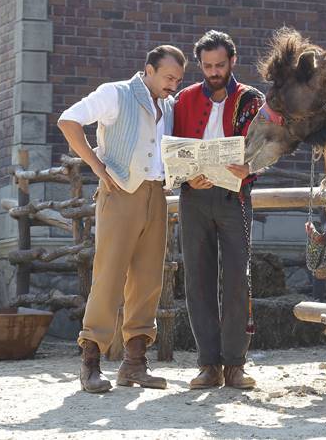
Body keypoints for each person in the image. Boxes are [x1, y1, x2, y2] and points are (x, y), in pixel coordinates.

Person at [57, 45, 186, 393]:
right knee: (109, 275)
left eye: (178, 79)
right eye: (168, 77)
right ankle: (90, 362)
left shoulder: (171, 106)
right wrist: (98, 168)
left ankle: (134, 363)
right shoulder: (115, 93)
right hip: (119, 193)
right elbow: (68, 121)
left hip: (156, 194)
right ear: (149, 70)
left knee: (148, 280)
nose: (173, 84)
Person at [173, 30, 264, 390]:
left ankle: (235, 365)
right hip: (193, 199)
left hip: (235, 198)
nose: (213, 72)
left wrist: (250, 168)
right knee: (197, 279)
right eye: (207, 66)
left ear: (233, 62)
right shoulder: (183, 100)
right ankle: (208, 364)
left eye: (220, 65)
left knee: (238, 279)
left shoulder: (252, 100)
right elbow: (173, 149)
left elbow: (267, 147)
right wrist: (186, 178)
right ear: (200, 64)